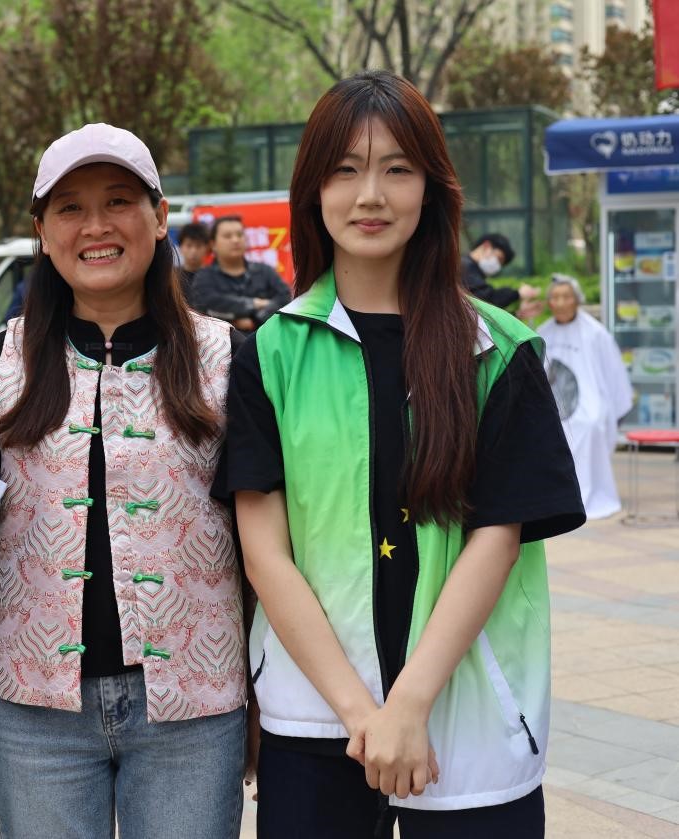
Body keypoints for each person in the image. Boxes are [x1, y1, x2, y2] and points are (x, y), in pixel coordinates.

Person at [217, 70, 585, 837]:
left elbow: (497, 535)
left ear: (431, 187)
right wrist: (363, 714)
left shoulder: (500, 351)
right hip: (315, 719)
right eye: (345, 170)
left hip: (470, 722)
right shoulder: (271, 354)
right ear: (314, 190)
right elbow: (264, 553)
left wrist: (409, 703)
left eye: (397, 169)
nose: (370, 195)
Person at [0, 122, 248, 839]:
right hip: (36, 711)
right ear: (42, 231)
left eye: (119, 201)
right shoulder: (0, 360)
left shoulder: (228, 357)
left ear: (159, 217)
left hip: (192, 705)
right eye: (69, 208)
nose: (96, 226)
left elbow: (264, 539)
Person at [538, 275, 633, 519]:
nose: (560, 303)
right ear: (549, 303)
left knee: (589, 423)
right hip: (554, 405)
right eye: (555, 297)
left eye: (566, 297)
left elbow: (613, 374)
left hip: (591, 401)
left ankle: (588, 495)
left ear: (577, 300)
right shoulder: (542, 332)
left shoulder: (595, 333)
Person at [190, 215, 290, 329]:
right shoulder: (204, 276)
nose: (235, 240)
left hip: (264, 335)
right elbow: (209, 303)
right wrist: (255, 303)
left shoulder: (265, 271)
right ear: (213, 244)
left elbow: (285, 299)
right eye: (227, 236)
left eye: (240, 235)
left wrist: (256, 320)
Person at [461, 233, 541, 317]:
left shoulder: (472, 270)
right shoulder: (464, 267)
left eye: (500, 265)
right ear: (486, 246)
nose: (497, 267)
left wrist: (518, 314)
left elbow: (479, 315)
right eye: (499, 258)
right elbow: (487, 300)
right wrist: (517, 293)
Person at [177, 221, 211, 291]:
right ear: (180, 247)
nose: (193, 251)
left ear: (207, 248)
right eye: (189, 246)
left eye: (198, 246)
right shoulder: (172, 277)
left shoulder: (214, 277)